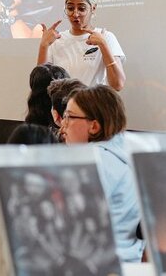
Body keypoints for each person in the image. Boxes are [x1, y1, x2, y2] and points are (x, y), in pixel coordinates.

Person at [60, 84, 143, 262]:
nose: (63, 125)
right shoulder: (125, 151)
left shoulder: (95, 162)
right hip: (128, 261)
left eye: (69, 117)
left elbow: (69, 224)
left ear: (94, 126)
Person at [37, 0, 126, 91]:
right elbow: (39, 86)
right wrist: (43, 46)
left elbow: (118, 85)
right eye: (70, 8)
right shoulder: (57, 40)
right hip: (63, 106)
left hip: (93, 106)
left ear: (93, 8)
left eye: (81, 8)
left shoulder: (106, 37)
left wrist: (103, 45)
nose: (75, 14)